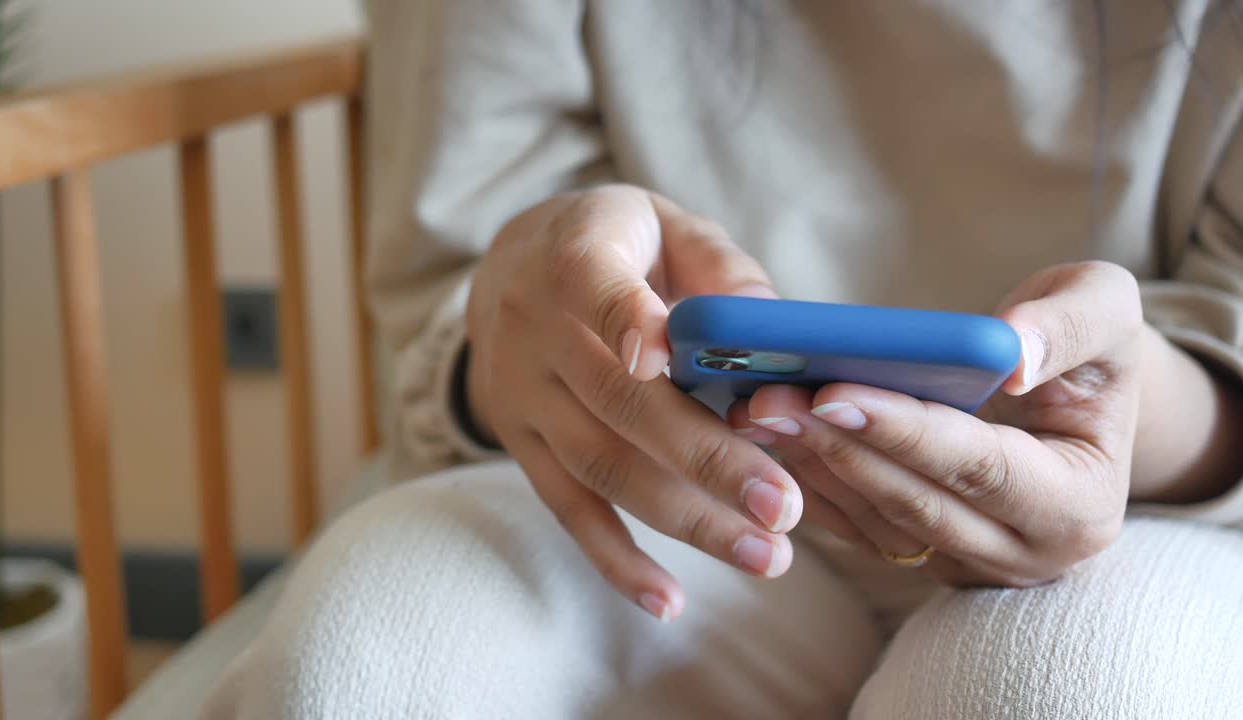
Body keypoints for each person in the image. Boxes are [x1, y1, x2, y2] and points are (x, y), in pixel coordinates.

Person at [204, 2, 1243, 717]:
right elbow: (458, 289)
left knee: (1071, 691)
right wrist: (521, 326)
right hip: (667, 489)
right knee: (358, 661)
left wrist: (1125, 406)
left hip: (1151, 506)